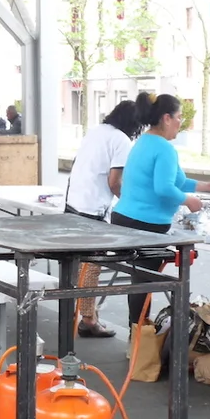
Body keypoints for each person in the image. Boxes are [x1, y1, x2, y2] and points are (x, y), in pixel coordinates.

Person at [112, 94, 210, 326]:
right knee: (143, 280)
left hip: (125, 218)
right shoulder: (164, 149)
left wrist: (207, 186)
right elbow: (164, 188)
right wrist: (188, 200)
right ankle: (139, 331)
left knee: (139, 278)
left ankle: (138, 329)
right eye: (179, 117)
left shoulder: (144, 141)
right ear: (166, 118)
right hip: (145, 223)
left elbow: (178, 181)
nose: (180, 123)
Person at [66, 93, 153, 337]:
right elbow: (115, 182)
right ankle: (88, 320)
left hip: (74, 202)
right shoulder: (121, 140)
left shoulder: (96, 131)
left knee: (78, 266)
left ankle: (84, 315)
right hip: (92, 208)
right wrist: (131, 203)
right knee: (91, 267)